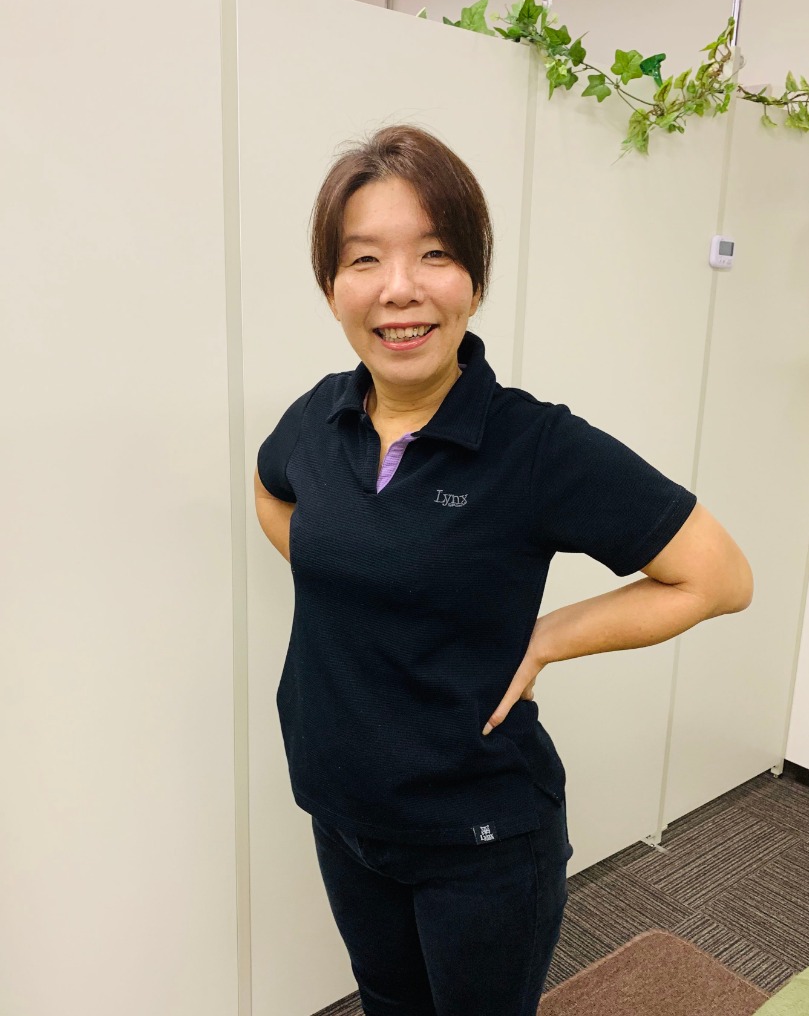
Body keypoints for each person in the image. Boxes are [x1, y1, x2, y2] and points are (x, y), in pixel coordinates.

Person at [254, 124, 753, 1016]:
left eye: (434, 253)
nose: (399, 288)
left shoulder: (536, 446)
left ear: (474, 281)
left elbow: (717, 577)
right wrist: (355, 579)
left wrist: (549, 637)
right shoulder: (316, 418)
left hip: (478, 837)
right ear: (331, 287)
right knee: (387, 1002)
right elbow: (268, 491)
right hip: (340, 806)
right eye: (364, 259)